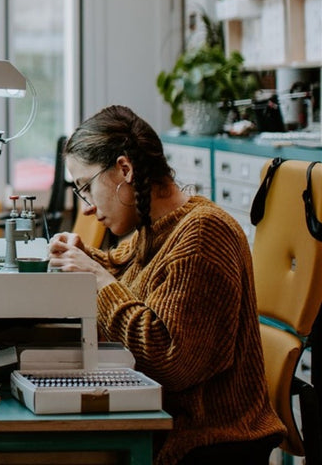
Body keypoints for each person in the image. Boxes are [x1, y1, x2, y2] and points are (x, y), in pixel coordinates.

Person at [47, 105, 284, 465]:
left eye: (86, 188)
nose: (88, 210)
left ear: (124, 169)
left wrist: (96, 277)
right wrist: (88, 259)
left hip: (206, 444)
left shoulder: (203, 233)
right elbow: (133, 271)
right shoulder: (155, 231)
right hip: (168, 428)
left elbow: (171, 361)